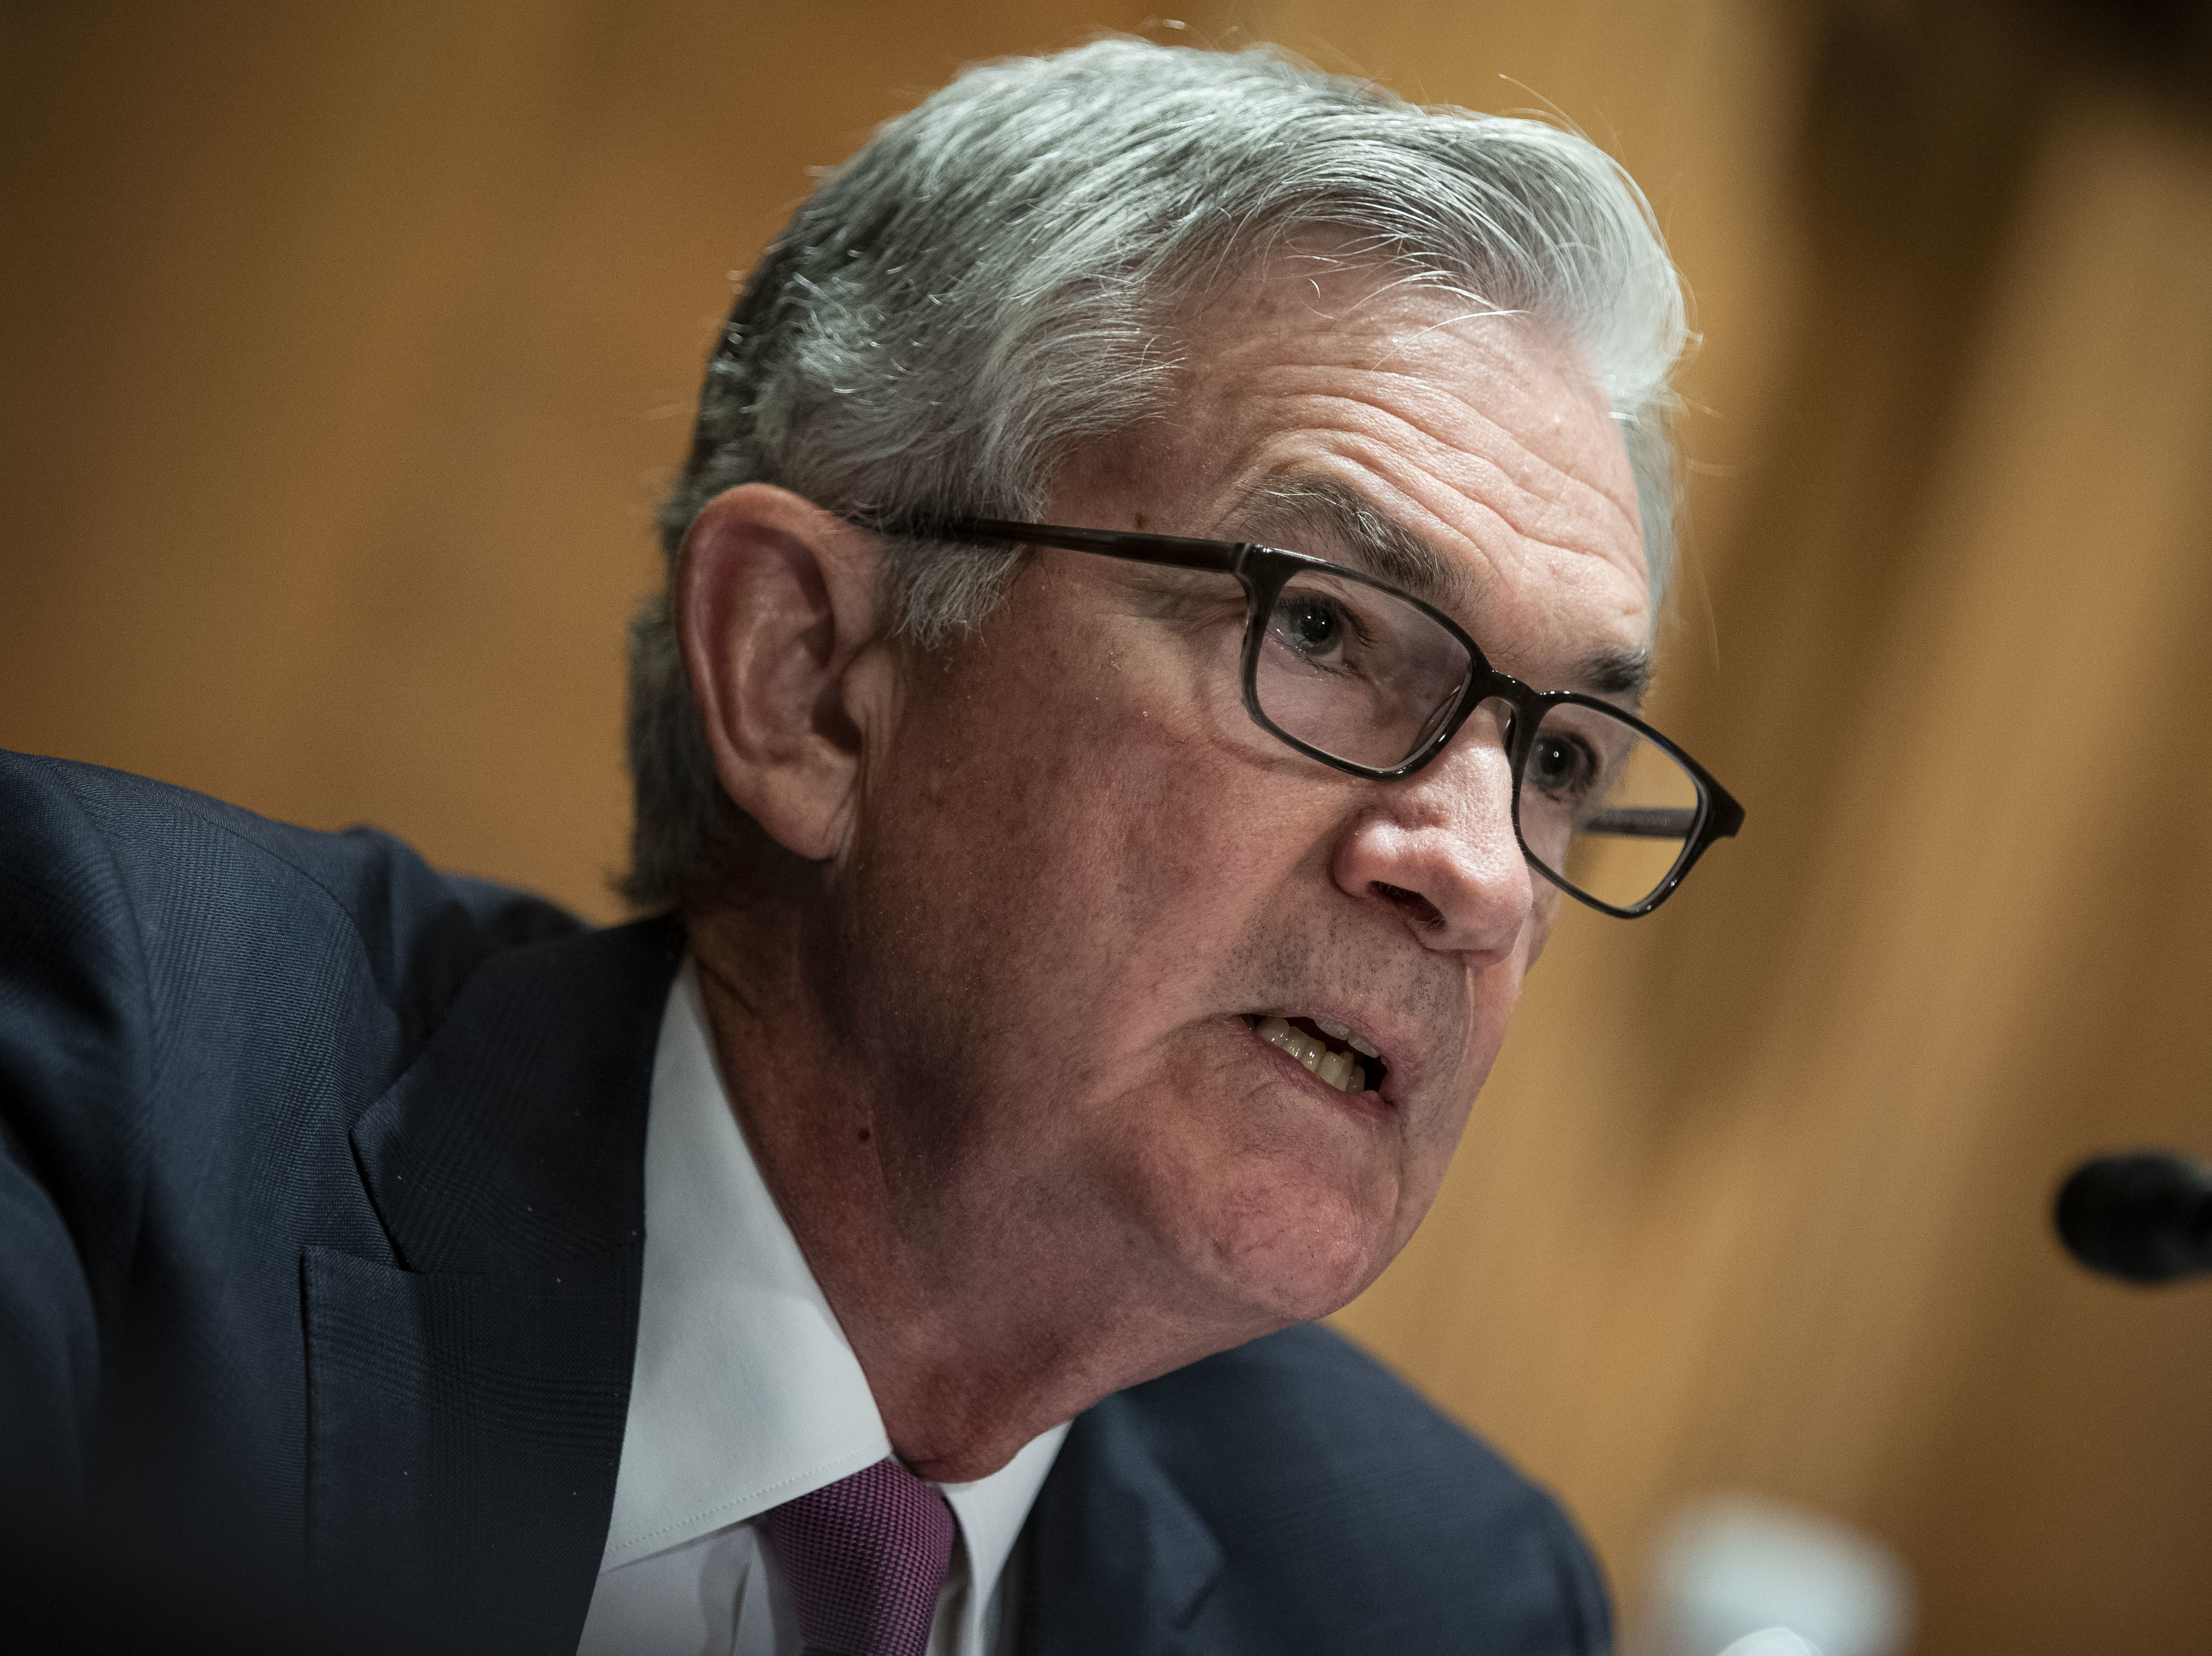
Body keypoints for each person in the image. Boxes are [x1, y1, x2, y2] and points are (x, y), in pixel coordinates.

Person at [0, 37, 1742, 1656]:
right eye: (1322, 633)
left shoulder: (1428, 1600)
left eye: (1562, 755)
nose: (1479, 874)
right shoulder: (111, 1079)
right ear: (811, 678)